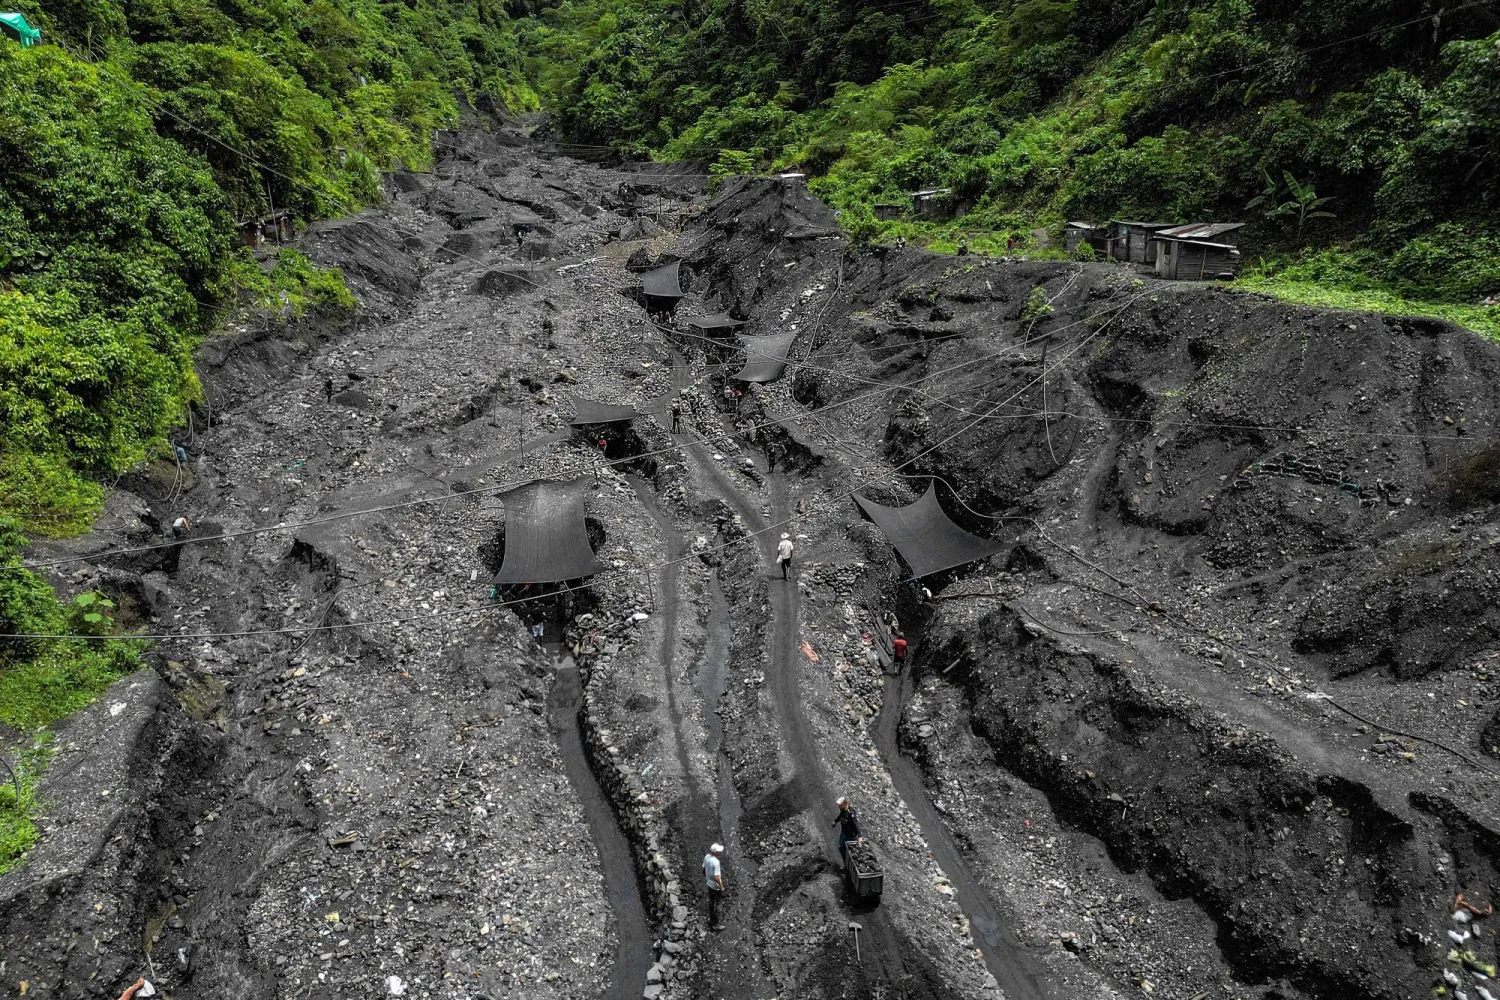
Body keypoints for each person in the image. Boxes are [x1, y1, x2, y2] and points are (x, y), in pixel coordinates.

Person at [703, 843, 725, 930]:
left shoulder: (707, 857)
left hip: (709, 883)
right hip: (715, 886)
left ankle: (711, 919)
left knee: (711, 901)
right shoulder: (716, 862)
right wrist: (721, 886)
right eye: (719, 851)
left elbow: (703, 869)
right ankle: (715, 924)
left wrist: (707, 878)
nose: (721, 852)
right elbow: (716, 877)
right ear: (715, 853)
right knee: (718, 903)